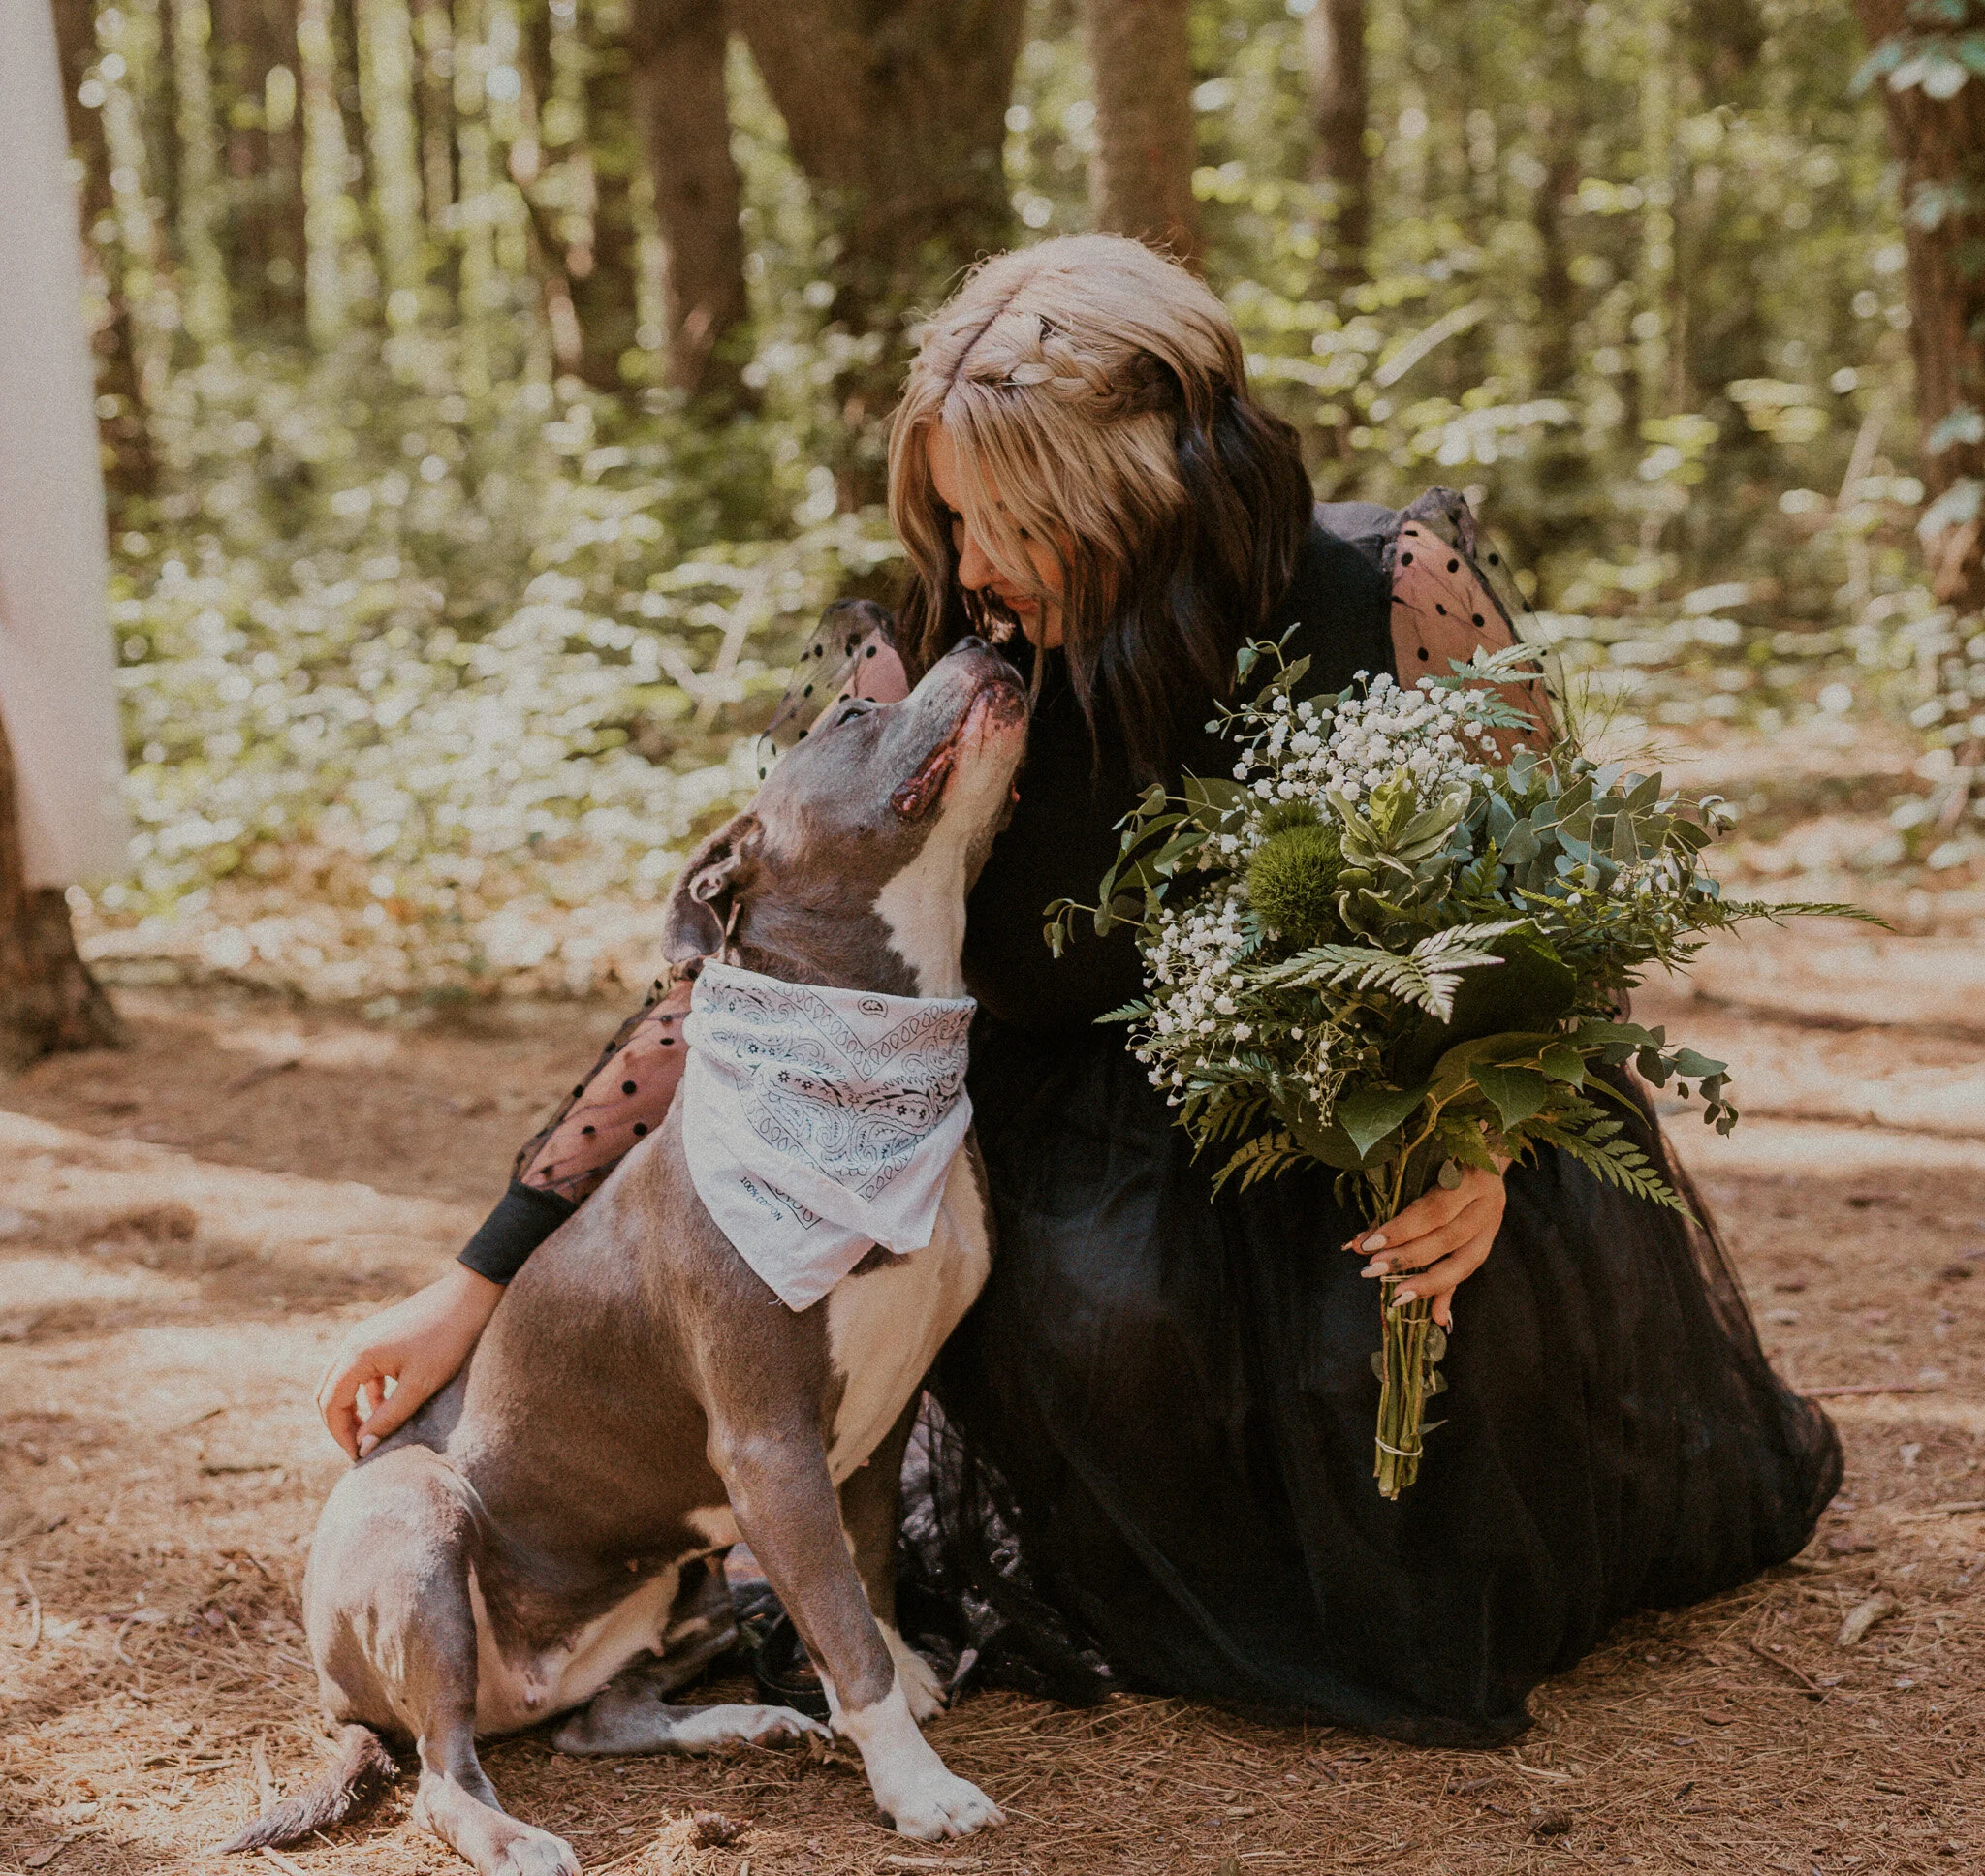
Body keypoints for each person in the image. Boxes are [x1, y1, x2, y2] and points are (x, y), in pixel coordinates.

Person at [318, 235, 1840, 1746]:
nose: (971, 567)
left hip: (1385, 1111)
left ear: (1151, 488)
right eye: (950, 516)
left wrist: (1491, 1150)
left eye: (1015, 523)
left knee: (1404, 1360)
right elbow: (746, 985)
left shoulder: (1395, 592)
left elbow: (1554, 919)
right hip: (1069, 1150)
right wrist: (482, 1273)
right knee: (1111, 1316)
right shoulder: (926, 662)